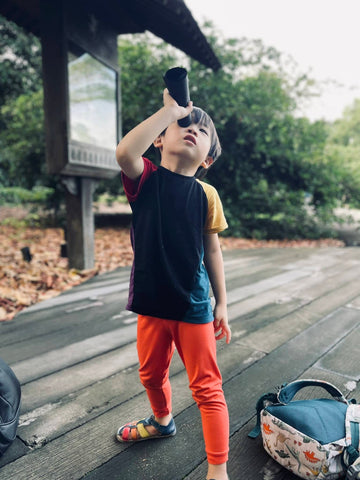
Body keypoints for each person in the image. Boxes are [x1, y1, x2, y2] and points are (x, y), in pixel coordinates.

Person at [115, 87, 231, 480]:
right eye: (184, 123)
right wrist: (169, 111)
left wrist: (222, 303)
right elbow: (125, 153)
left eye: (201, 129)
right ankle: (162, 420)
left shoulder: (206, 194)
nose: (192, 128)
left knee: (207, 388)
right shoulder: (145, 179)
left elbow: (212, 252)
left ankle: (218, 469)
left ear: (208, 158)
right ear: (160, 138)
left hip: (193, 306)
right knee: (150, 373)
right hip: (150, 303)